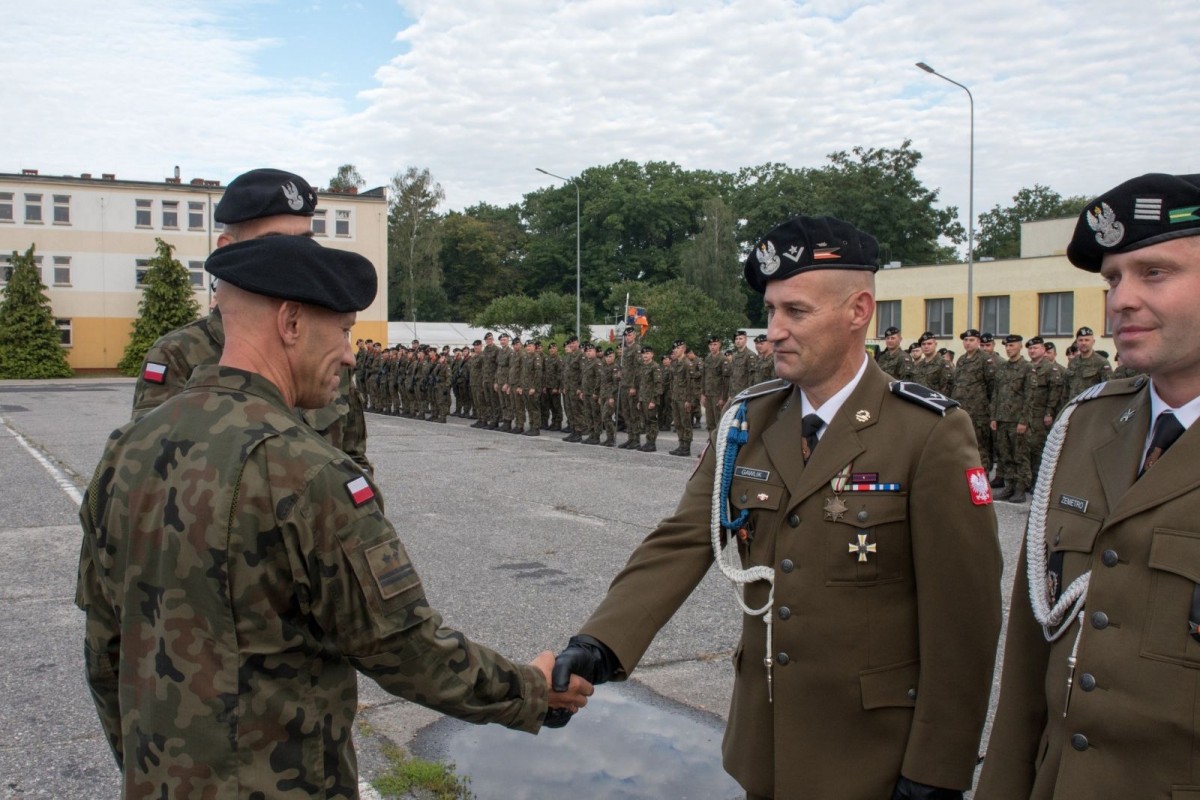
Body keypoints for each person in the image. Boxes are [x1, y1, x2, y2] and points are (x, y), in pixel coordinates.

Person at [76, 235, 592, 797]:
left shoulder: (128, 447)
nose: (349, 354)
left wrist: (144, 768)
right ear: (291, 323)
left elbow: (105, 645)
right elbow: (404, 646)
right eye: (343, 331)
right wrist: (532, 689)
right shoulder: (308, 472)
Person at [551, 215, 1002, 798]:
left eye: (796, 311)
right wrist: (599, 645)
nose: (774, 332)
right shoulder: (750, 418)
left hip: (874, 752)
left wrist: (937, 768)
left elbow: (965, 617)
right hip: (766, 742)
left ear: (858, 311)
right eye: (770, 311)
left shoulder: (927, 431)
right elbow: (685, 539)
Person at [976, 172, 1200, 798]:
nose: (1120, 300)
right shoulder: (1088, 427)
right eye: (1112, 279)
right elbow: (1029, 652)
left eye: (1154, 272)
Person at [129, 167, 374, 478]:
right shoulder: (178, 356)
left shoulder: (328, 351)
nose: (295, 259)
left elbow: (354, 458)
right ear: (228, 249)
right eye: (272, 244)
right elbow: (150, 474)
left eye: (305, 242)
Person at [1065, 325, 1112, 397]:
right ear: (1077, 342)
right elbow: (1066, 388)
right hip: (1073, 405)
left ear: (1093, 342)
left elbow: (1108, 389)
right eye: (1080, 340)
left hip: (1091, 406)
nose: (1083, 343)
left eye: (1087, 340)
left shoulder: (1102, 362)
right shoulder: (1072, 362)